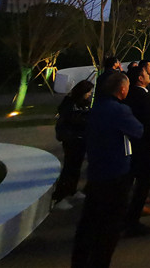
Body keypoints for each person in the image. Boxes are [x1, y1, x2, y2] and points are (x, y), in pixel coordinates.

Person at [71, 73, 142, 268]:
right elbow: (138, 130)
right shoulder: (119, 110)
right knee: (110, 226)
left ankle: (80, 262)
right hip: (115, 174)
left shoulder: (97, 108)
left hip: (96, 172)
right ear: (122, 89)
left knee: (89, 223)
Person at [123, 65, 150, 236]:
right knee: (144, 182)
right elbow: (149, 123)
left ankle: (125, 216)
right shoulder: (145, 97)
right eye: (146, 73)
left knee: (130, 181)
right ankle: (133, 221)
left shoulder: (128, 95)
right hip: (143, 146)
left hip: (131, 145)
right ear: (140, 78)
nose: (149, 74)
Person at [52, 80, 94, 210]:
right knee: (70, 167)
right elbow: (72, 119)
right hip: (72, 139)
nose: (90, 94)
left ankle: (72, 191)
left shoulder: (82, 103)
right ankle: (59, 197)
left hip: (80, 139)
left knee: (76, 167)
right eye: (88, 92)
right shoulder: (70, 104)